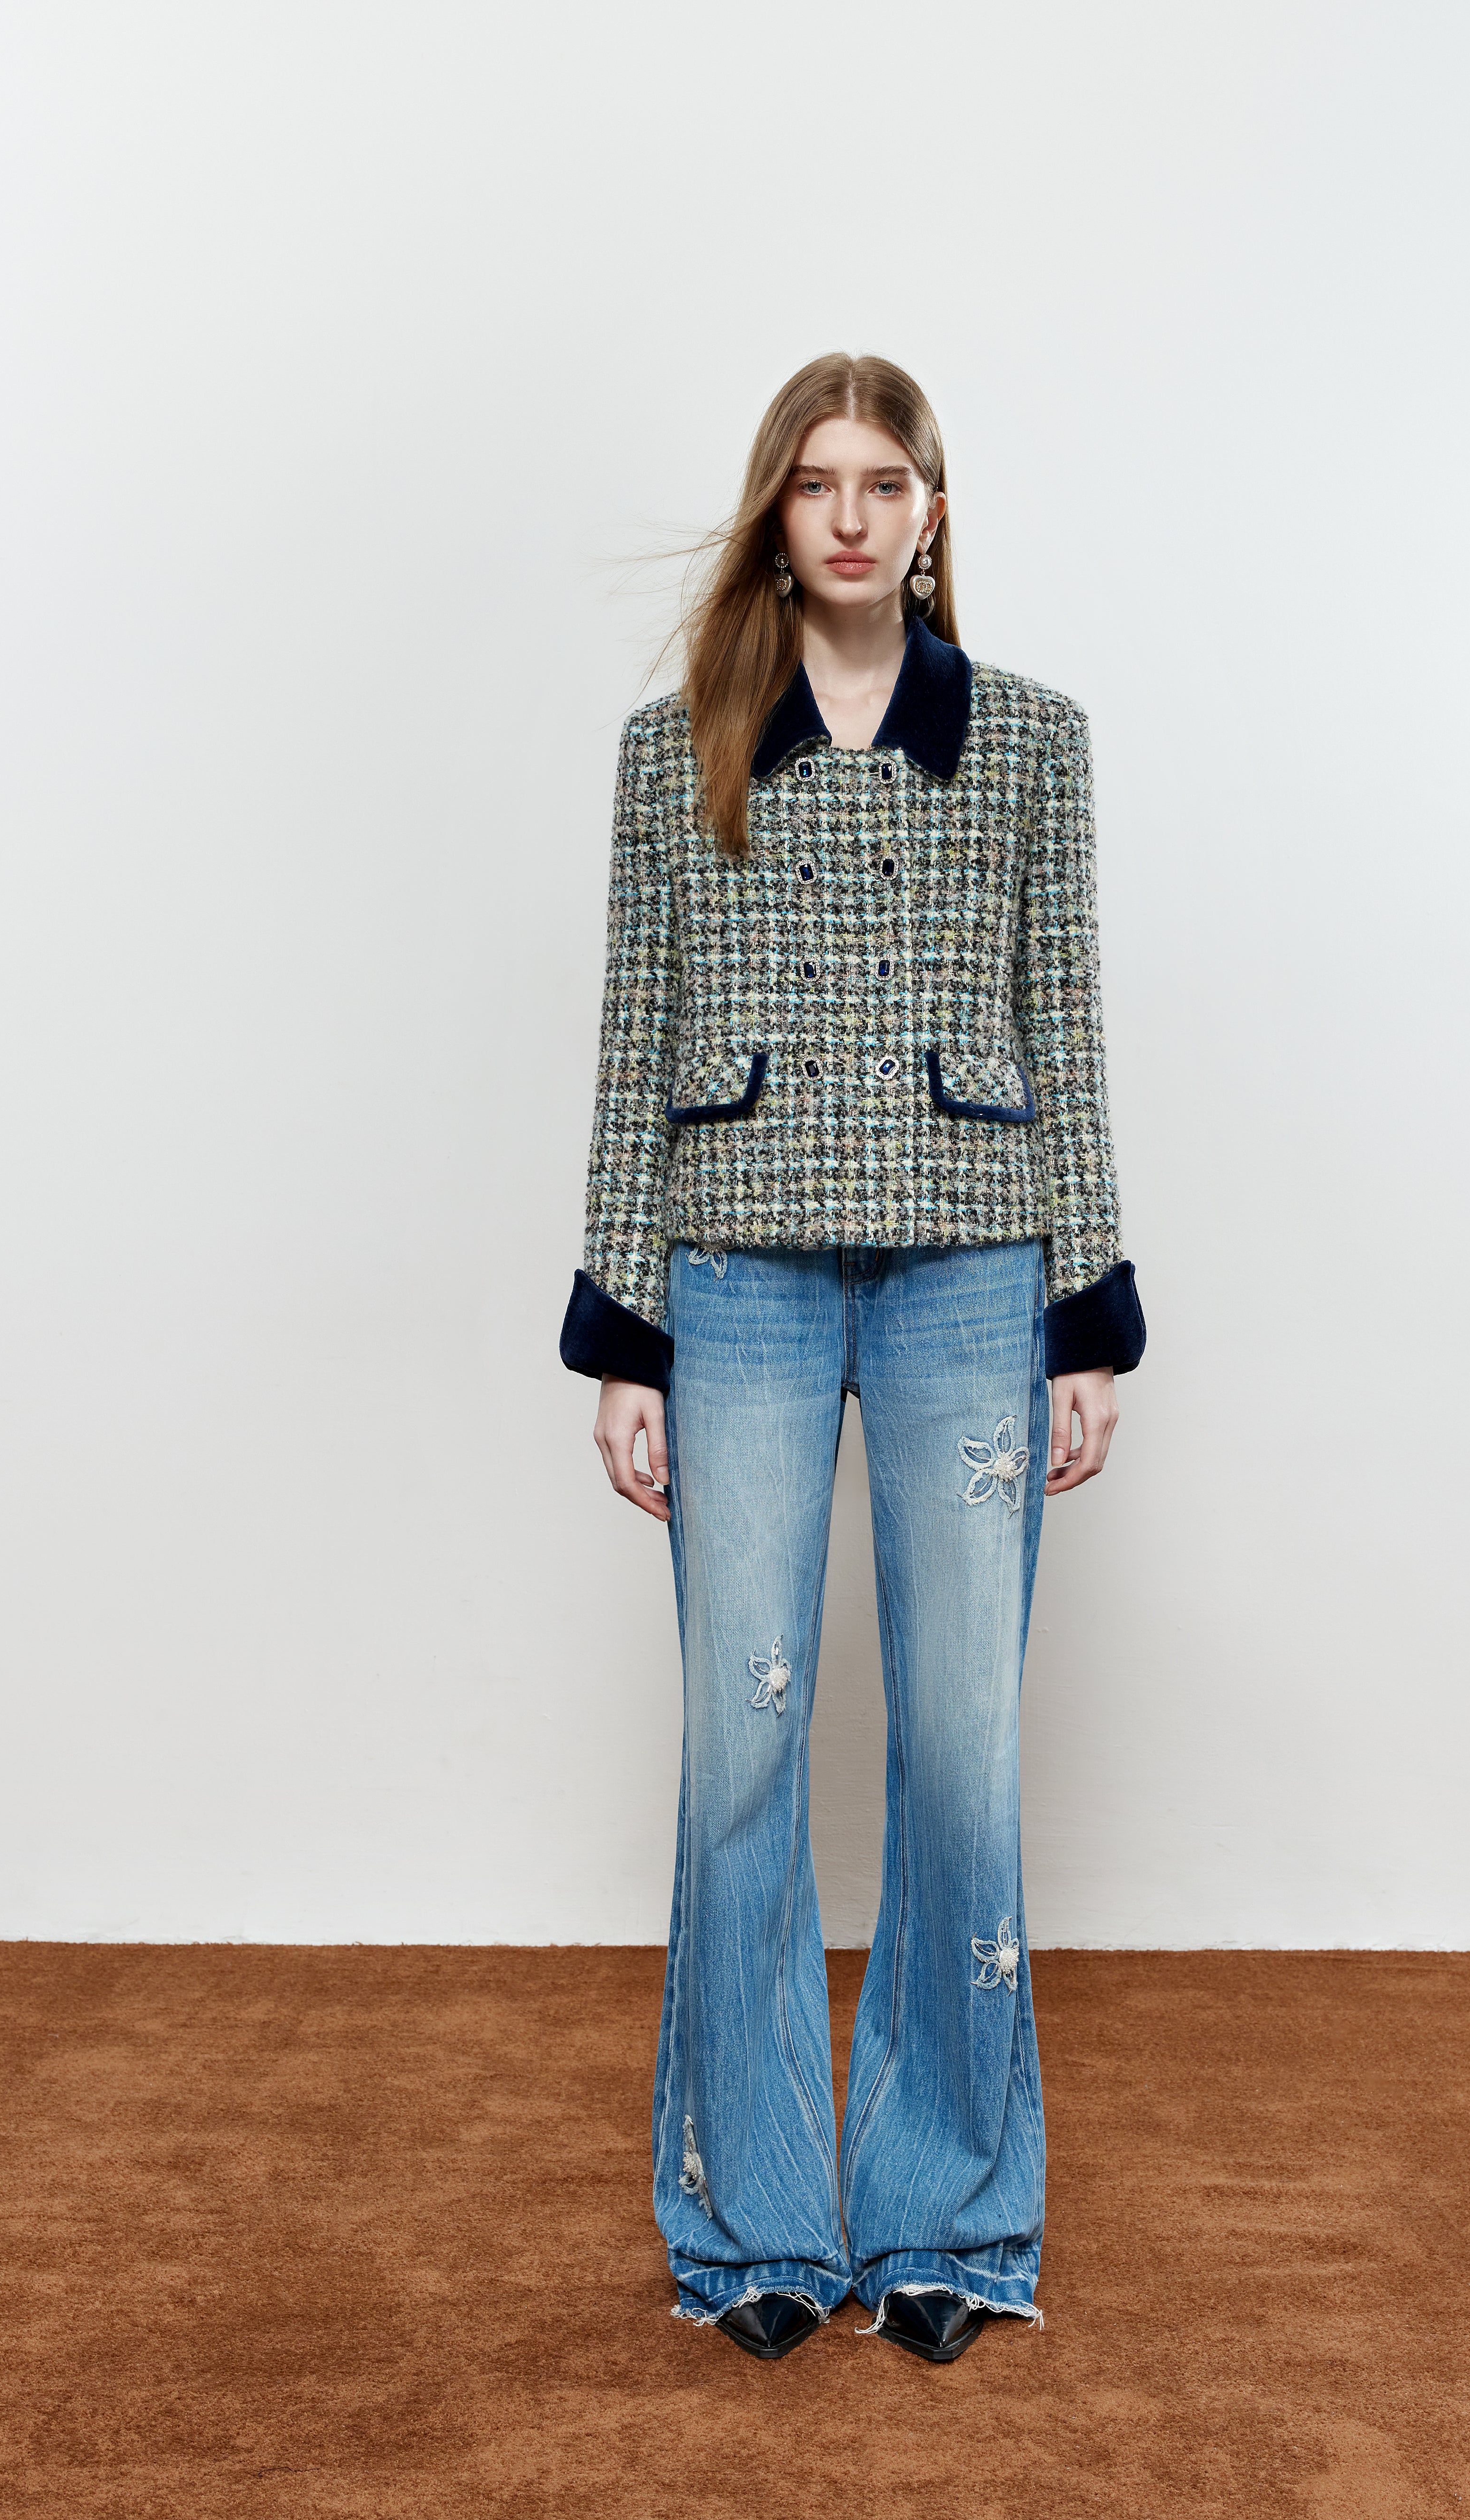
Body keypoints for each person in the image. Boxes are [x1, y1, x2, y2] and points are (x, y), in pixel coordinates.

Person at [559, 353, 1145, 2364]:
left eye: (885, 482)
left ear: (932, 514)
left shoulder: (1033, 741)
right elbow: (634, 1036)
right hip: (733, 1271)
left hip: (974, 1265)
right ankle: (752, 2229)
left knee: (962, 1746)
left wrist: (1087, 1309)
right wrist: (624, 1330)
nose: (850, 516)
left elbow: (1064, 1019)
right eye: (817, 483)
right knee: (743, 1745)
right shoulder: (676, 750)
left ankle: (952, 2215)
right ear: (776, 511)